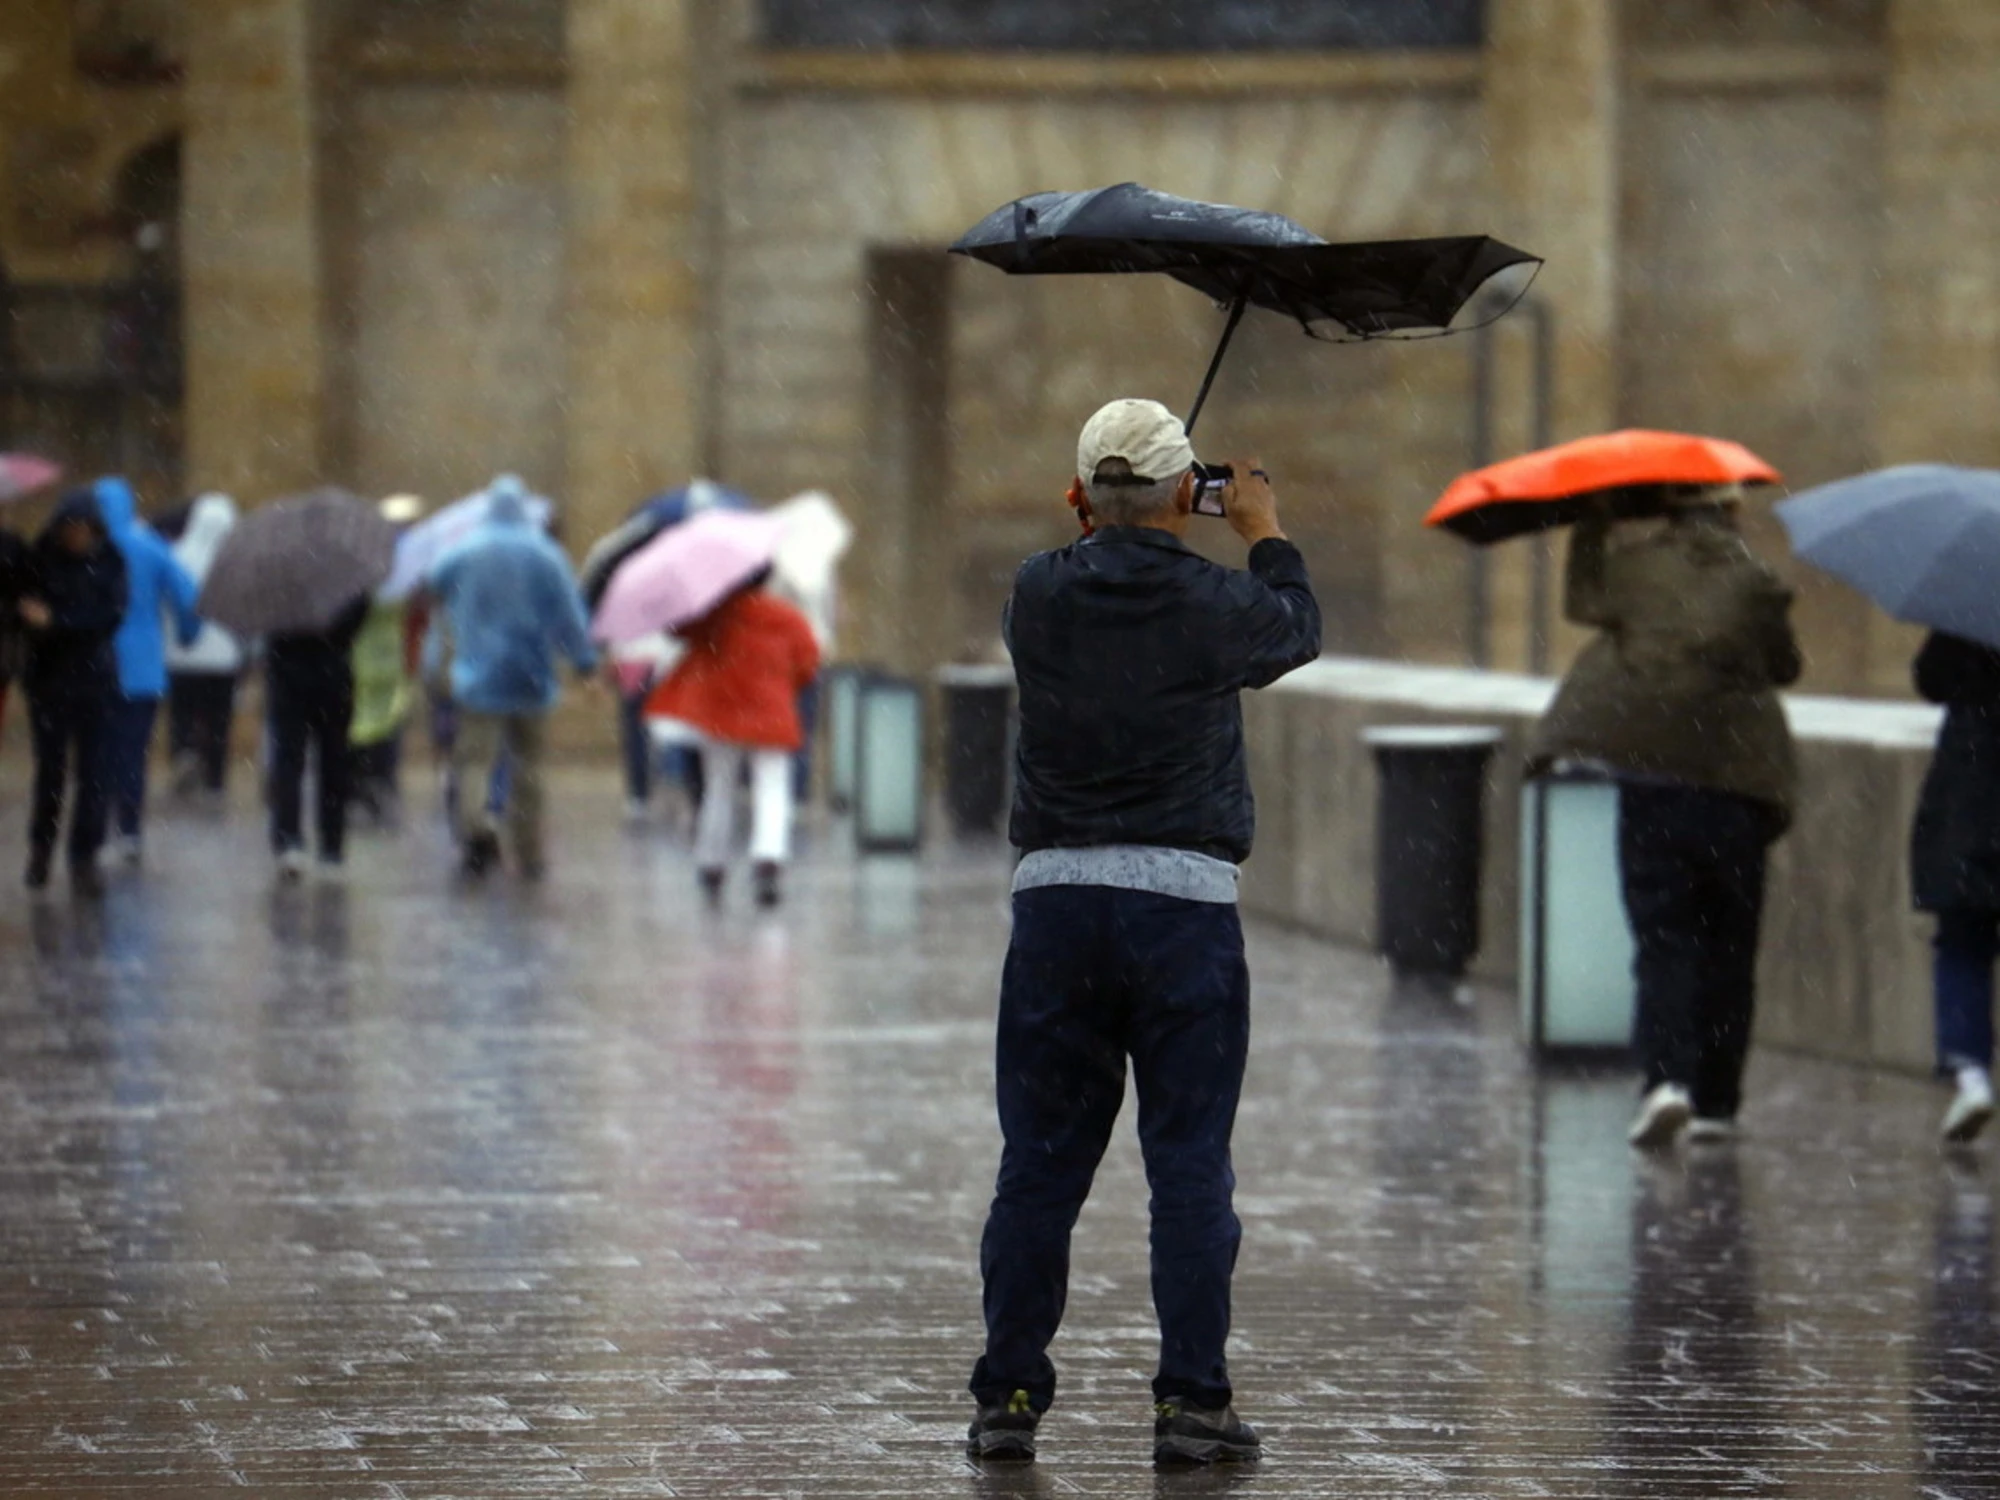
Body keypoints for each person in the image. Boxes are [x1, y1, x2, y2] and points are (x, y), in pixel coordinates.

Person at [965, 399, 1320, 1468]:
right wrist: (1260, 528)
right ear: (1183, 494)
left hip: (1057, 908)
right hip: (1182, 913)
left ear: (1076, 497)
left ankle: (1008, 1399)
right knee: (1186, 1165)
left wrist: (1128, 513)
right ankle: (1191, 1403)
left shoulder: (1034, 594)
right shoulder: (1220, 602)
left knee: (1037, 1166)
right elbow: (1295, 631)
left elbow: (1101, 564)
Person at [1528, 484, 1802, 1150]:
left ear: (1668, 509)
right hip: (1738, 781)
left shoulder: (1635, 568)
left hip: (1654, 778)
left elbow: (1582, 602)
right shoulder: (1755, 580)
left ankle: (1665, 1083)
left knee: (1664, 940)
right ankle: (1716, 1101)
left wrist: (1592, 525)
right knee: (1730, 948)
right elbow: (1786, 666)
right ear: (1730, 511)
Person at [426, 482, 597, 880]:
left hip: (478, 676)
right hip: (530, 676)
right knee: (529, 768)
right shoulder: (546, 555)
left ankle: (475, 828)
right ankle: (529, 850)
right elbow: (570, 616)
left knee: (474, 761)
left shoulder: (465, 552)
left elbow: (434, 583)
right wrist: (585, 662)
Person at [644, 572, 820, 906]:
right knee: (772, 787)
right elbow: (808, 661)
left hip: (723, 713)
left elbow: (677, 631)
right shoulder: (787, 616)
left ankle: (712, 862)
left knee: (718, 788)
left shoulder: (716, 614)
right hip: (772, 713)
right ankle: (769, 857)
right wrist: (783, 686)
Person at [1909, 631, 2000, 1145]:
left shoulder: (1969, 601)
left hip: (1970, 796)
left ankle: (1970, 1073)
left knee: (1963, 941)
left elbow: (1930, 679)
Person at [17, 490, 127, 896]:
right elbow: (25, 610)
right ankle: (41, 847)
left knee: (95, 774)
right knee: (51, 771)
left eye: (82, 531)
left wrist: (57, 621)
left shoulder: (110, 561)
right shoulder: (40, 559)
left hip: (95, 684)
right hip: (49, 684)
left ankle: (84, 853)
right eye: (70, 530)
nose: (76, 538)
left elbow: (107, 617)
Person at [93, 475, 200, 864]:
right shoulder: (151, 548)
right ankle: (130, 831)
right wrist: (188, 634)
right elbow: (188, 597)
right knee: (133, 753)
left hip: (94, 668)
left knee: (97, 752)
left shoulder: (91, 549)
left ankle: (95, 828)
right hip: (143, 669)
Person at [266, 594, 371, 881]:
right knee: (334, 762)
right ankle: (331, 847)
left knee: (289, 761)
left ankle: (289, 841)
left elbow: (265, 622)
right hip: (333, 674)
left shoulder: (277, 577)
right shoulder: (342, 577)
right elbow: (361, 612)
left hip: (289, 675)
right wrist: (334, 636)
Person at [163, 493, 244, 799]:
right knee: (219, 720)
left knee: (182, 712)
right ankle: (215, 779)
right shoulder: (235, 561)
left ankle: (184, 752)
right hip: (223, 656)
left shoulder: (177, 554)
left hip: (181, 653)